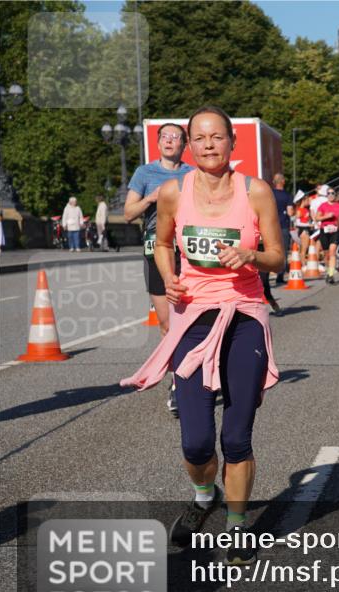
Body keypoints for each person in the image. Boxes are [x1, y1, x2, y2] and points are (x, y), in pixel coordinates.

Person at [121, 106, 283, 566]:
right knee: (195, 441)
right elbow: (164, 242)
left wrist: (251, 254)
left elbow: (278, 258)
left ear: (232, 143)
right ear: (190, 146)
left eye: (218, 137)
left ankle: (236, 525)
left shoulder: (256, 193)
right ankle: (202, 493)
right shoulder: (173, 191)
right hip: (193, 318)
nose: (209, 145)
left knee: (236, 436)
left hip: (244, 315)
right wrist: (168, 276)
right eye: (201, 138)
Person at [126, 122, 195, 416]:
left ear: (184, 145)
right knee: (167, 322)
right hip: (156, 250)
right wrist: (151, 199)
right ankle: (177, 378)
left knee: (190, 317)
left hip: (187, 250)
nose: (170, 141)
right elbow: (128, 213)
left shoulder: (192, 174)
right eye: (165, 137)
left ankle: (184, 383)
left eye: (176, 137)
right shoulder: (144, 173)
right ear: (158, 143)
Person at [316, 187, 339, 284]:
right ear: (326, 195)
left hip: (335, 231)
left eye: (332, 193)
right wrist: (326, 216)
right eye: (329, 193)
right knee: (326, 254)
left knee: (332, 252)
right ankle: (329, 272)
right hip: (324, 231)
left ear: (335, 195)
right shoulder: (323, 206)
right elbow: (316, 218)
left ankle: (331, 275)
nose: (331, 195)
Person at [271, 174, 294, 283]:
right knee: (283, 251)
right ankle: (280, 276)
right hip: (283, 225)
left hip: (270, 226)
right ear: (283, 182)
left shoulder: (270, 193)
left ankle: (265, 276)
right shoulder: (287, 195)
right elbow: (290, 212)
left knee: (270, 249)